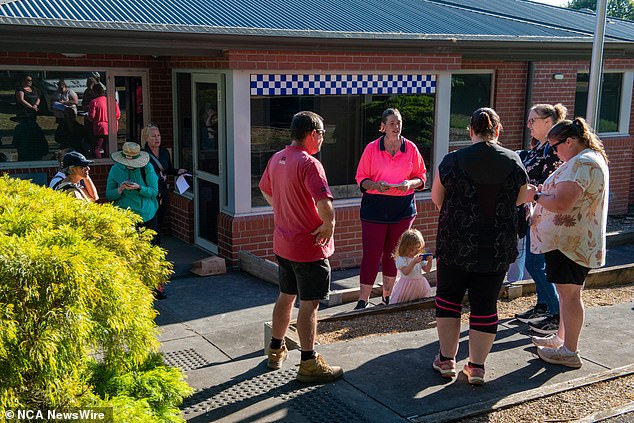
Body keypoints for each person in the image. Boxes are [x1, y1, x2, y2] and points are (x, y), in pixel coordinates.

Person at [431, 107, 529, 385]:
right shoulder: (514, 161)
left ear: (470, 131)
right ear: (498, 131)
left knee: (448, 300)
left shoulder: (451, 160)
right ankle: (476, 367)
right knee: (485, 304)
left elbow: (437, 200)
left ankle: (447, 359)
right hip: (496, 246)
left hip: (455, 244)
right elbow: (519, 200)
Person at [258, 111, 343, 383]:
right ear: (312, 134)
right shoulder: (309, 163)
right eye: (322, 135)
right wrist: (329, 223)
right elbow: (324, 202)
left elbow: (264, 189)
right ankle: (308, 362)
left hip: (284, 245)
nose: (322, 141)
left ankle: (275, 349)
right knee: (310, 305)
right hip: (308, 248)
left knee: (286, 295)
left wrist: (283, 209)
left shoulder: (277, 159)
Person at [528, 118, 609, 368]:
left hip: (570, 243)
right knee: (566, 295)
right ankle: (562, 339)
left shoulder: (583, 163)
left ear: (570, 141)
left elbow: (563, 203)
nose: (553, 151)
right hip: (569, 242)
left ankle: (570, 351)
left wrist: (537, 195)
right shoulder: (586, 160)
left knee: (570, 295)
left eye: (555, 146)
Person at [353, 108, 427, 309]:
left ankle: (387, 297)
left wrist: (409, 184)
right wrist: (376, 185)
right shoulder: (371, 148)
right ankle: (363, 300)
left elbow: (421, 177)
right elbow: (361, 179)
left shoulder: (410, 148)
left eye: (399, 122)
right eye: (392, 123)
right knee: (371, 253)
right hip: (374, 207)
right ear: (383, 126)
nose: (396, 127)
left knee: (394, 253)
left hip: (402, 207)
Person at [514, 104, 567, 335]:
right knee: (533, 264)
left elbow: (550, 184)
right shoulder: (538, 147)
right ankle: (543, 305)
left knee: (536, 265)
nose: (529, 125)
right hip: (533, 213)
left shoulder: (552, 150)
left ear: (548, 122)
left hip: (543, 215)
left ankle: (557, 315)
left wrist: (536, 206)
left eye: (533, 120)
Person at [141, 123, 187, 245]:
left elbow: (168, 169)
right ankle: (149, 248)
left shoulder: (165, 152)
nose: (157, 138)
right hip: (150, 193)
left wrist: (177, 171)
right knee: (151, 222)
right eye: (153, 136)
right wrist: (156, 178)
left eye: (158, 135)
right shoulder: (142, 155)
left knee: (160, 220)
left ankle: (158, 248)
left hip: (162, 192)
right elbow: (140, 176)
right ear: (146, 138)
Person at [106, 142, 159, 232]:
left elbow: (154, 191)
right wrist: (120, 189)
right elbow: (109, 195)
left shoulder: (147, 167)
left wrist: (139, 188)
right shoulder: (115, 169)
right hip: (124, 216)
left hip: (146, 215)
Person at [390, 229, 432, 304]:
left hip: (419, 284)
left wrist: (430, 261)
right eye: (412, 249)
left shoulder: (418, 257)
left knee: (419, 301)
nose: (416, 251)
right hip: (406, 285)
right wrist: (414, 262)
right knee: (402, 302)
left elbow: (427, 270)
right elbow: (405, 272)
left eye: (418, 248)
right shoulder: (402, 259)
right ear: (405, 247)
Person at [13, 75, 48, 161]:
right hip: (24, 114)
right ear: (23, 80)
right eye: (28, 80)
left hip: (33, 114)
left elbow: (39, 98)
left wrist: (35, 105)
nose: (29, 82)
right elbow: (21, 100)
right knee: (24, 131)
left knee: (34, 131)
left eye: (31, 80)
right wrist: (30, 107)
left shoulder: (35, 89)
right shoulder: (20, 89)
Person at [87, 84, 120, 159]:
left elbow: (91, 117)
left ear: (95, 93)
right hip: (111, 127)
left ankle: (99, 162)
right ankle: (109, 162)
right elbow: (117, 115)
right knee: (108, 148)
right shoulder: (112, 101)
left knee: (97, 148)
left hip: (99, 128)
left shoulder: (94, 102)